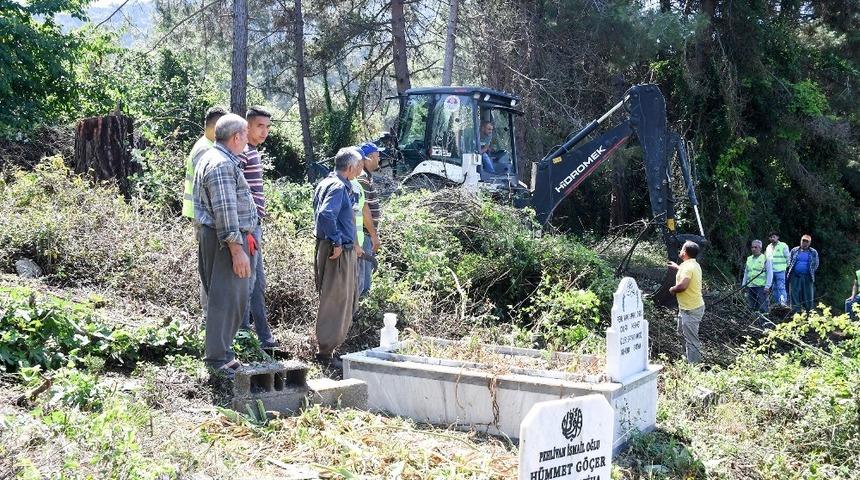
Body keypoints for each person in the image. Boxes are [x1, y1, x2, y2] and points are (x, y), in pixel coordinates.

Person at [192, 113, 257, 375]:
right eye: (245, 134)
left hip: (222, 239)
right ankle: (217, 360)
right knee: (224, 298)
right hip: (224, 241)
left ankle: (224, 354)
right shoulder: (220, 164)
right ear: (236, 136)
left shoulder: (220, 159)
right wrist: (236, 248)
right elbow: (226, 211)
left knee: (232, 297)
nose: (248, 140)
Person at [312, 147, 365, 369]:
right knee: (336, 300)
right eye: (360, 165)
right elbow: (325, 214)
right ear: (351, 167)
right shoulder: (337, 186)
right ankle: (325, 352)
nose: (361, 170)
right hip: (337, 251)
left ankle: (328, 349)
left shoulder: (327, 182)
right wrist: (336, 242)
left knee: (342, 298)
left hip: (341, 248)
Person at [237, 106, 278, 349]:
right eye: (260, 126)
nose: (264, 131)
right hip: (248, 227)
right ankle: (245, 336)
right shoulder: (242, 150)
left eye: (268, 127)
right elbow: (236, 188)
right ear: (247, 126)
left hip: (255, 225)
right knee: (249, 282)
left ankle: (263, 338)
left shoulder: (251, 150)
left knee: (257, 282)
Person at [183, 106, 226, 320]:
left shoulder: (209, 146)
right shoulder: (204, 149)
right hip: (203, 218)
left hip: (204, 217)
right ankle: (209, 317)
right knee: (208, 268)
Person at [668, 241, 705, 364]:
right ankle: (687, 358)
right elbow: (687, 272)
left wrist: (672, 289)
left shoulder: (688, 267)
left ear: (684, 252)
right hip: (685, 308)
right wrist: (677, 267)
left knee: (691, 340)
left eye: (681, 249)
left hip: (691, 310)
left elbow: (683, 286)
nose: (680, 251)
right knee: (681, 333)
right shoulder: (692, 264)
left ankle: (694, 367)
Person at [356, 142, 383, 298]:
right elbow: (363, 208)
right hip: (364, 235)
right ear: (369, 158)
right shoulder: (362, 178)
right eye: (377, 157)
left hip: (365, 234)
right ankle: (360, 311)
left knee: (365, 273)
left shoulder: (365, 177)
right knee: (363, 279)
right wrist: (373, 235)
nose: (378, 160)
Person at [787, 234, 819, 313]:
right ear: (801, 241)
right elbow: (789, 260)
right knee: (794, 293)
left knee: (808, 294)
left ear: (809, 243)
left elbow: (816, 264)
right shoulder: (795, 250)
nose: (804, 243)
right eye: (803, 241)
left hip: (807, 276)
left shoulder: (813, 252)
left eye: (806, 241)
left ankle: (808, 311)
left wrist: (810, 271)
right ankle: (796, 311)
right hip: (795, 275)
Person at [742, 239, 773, 314]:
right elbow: (746, 272)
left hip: (761, 287)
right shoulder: (749, 258)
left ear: (760, 248)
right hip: (750, 286)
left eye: (756, 247)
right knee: (751, 306)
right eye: (752, 247)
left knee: (763, 306)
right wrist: (743, 284)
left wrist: (767, 286)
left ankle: (764, 322)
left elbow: (770, 273)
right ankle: (753, 322)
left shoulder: (765, 259)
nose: (753, 249)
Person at [765, 231, 790, 307]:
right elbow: (766, 259)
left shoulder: (783, 245)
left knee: (781, 287)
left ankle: (783, 303)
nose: (772, 238)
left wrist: (784, 267)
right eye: (771, 237)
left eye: (774, 236)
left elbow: (788, 258)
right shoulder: (768, 247)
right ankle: (776, 304)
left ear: (778, 237)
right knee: (774, 288)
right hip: (771, 272)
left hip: (780, 271)